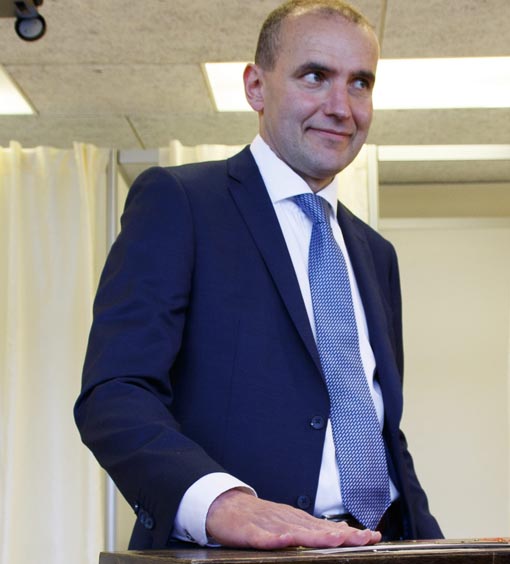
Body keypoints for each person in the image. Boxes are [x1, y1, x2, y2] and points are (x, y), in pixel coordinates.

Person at [74, 0, 442, 551]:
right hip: (231, 552)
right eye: (315, 76)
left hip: (379, 545)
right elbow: (116, 392)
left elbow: (376, 424)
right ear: (255, 86)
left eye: (360, 83)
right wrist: (220, 500)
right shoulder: (180, 203)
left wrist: (435, 545)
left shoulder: (375, 252)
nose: (341, 106)